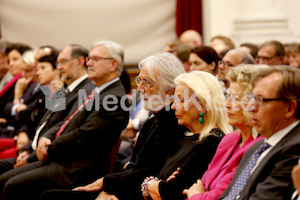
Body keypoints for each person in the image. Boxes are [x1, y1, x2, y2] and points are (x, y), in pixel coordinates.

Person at [39, 52, 187, 200]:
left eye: (147, 82)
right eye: (139, 80)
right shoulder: (153, 120)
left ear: (169, 88)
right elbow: (135, 167)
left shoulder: (175, 123)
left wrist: (108, 185)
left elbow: (151, 173)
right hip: (123, 186)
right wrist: (108, 185)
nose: (140, 88)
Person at [0, 40, 130, 200]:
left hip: (71, 165)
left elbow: (82, 135)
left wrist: (37, 151)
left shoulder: (73, 89)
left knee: (10, 183)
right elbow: (42, 122)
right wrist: (34, 141)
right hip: (48, 151)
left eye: (43, 66)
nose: (36, 70)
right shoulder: (62, 89)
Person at [142, 71, 232, 200]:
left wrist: (149, 184)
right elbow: (160, 180)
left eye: (181, 100)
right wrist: (156, 184)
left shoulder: (211, 142)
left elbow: (170, 192)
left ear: (202, 105)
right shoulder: (187, 138)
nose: (173, 106)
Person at [182, 64, 267, 200]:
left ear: (254, 104)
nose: (227, 103)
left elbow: (222, 195)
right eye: (228, 96)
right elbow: (201, 183)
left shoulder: (260, 146)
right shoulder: (230, 139)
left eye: (235, 98)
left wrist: (196, 195)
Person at [219, 65, 300, 200]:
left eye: (261, 100)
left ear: (289, 108)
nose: (250, 107)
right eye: (252, 98)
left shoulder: (295, 148)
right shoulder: (258, 147)